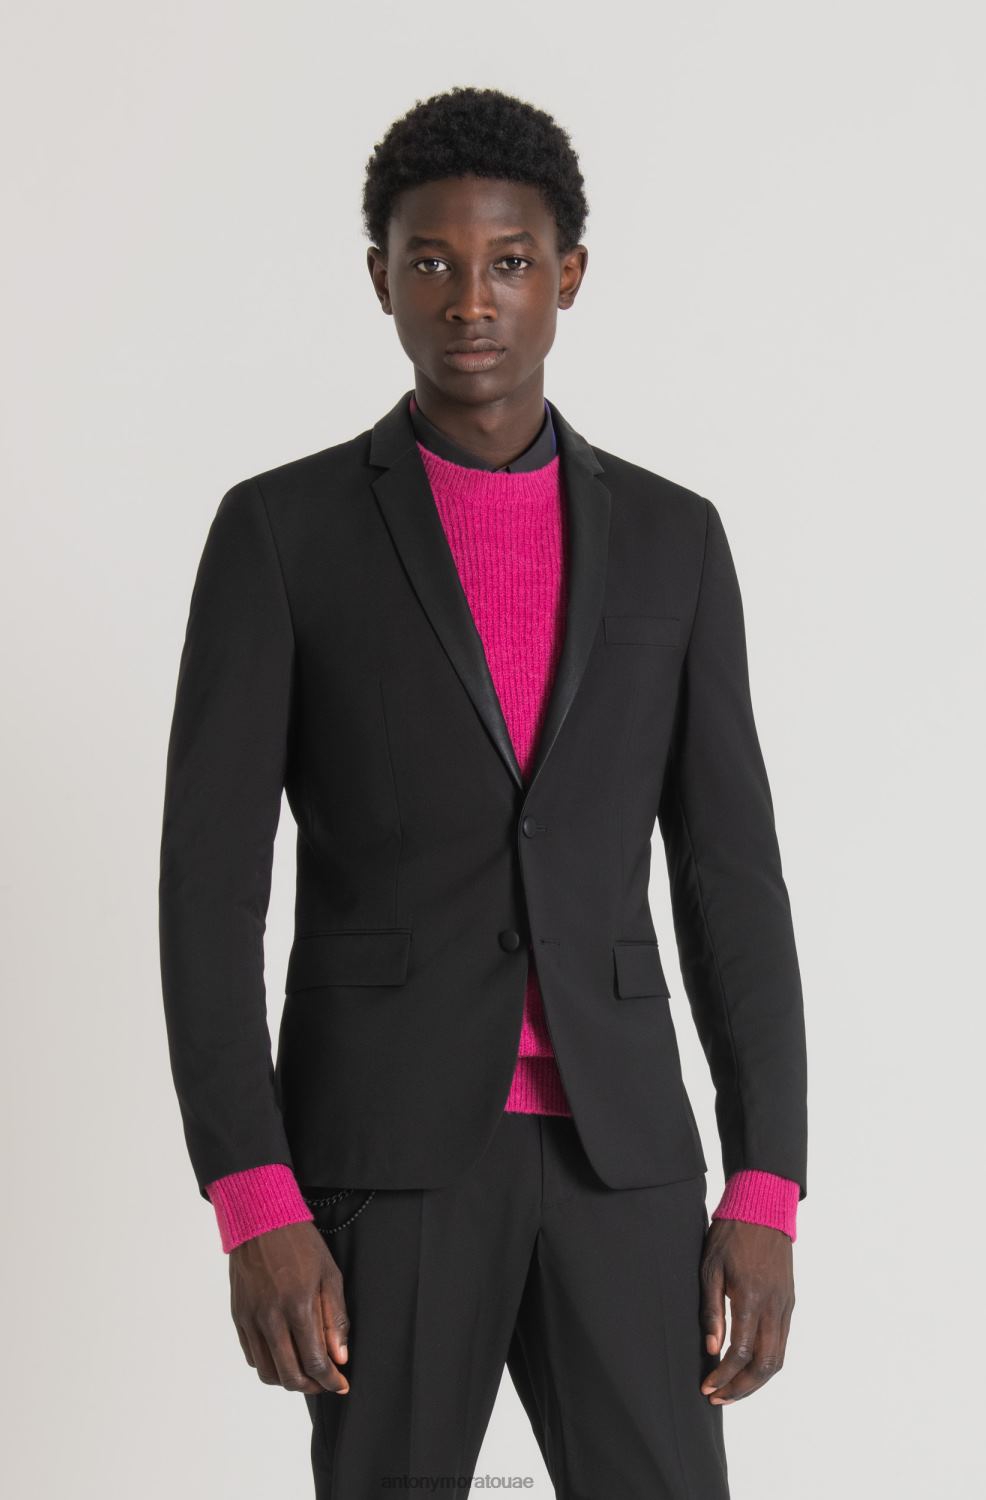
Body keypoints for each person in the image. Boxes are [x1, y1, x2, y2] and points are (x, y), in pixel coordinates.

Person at [158, 85, 807, 1499]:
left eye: (508, 261)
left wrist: (766, 1183)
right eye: (430, 262)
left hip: (621, 1156)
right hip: (381, 1159)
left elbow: (730, 881)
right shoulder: (280, 532)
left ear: (567, 274)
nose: (469, 300)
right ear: (378, 277)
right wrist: (253, 1197)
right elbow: (207, 897)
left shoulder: (675, 540)